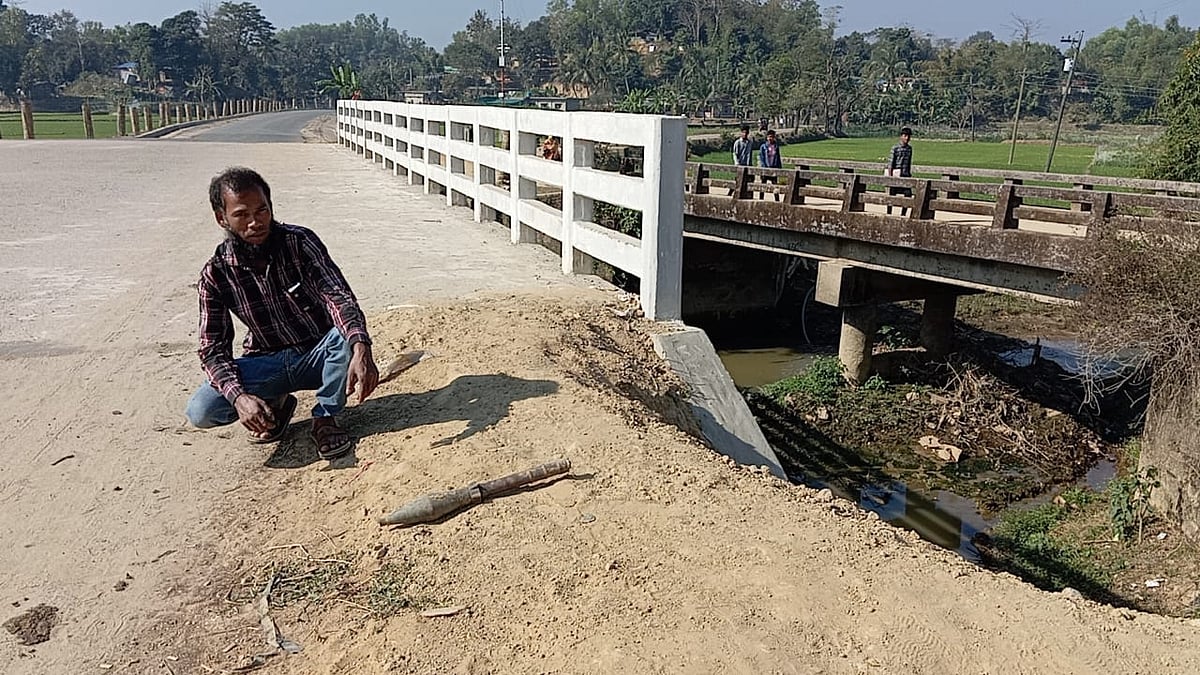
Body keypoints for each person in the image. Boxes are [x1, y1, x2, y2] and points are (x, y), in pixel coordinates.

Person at [184, 167, 380, 461]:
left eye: (262, 210)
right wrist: (239, 398)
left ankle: (326, 418)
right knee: (201, 410)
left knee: (345, 333)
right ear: (221, 218)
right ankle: (275, 403)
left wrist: (361, 347)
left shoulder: (299, 243)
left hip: (321, 354)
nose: (255, 222)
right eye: (241, 214)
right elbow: (212, 350)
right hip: (268, 362)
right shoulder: (216, 274)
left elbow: (338, 297)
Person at [886, 126, 914, 216]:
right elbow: (890, 163)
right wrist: (890, 177)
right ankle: (889, 213)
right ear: (901, 136)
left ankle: (903, 214)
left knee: (908, 195)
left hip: (905, 175)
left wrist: (909, 173)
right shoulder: (895, 148)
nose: (907, 138)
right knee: (892, 195)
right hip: (896, 175)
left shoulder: (909, 149)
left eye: (908, 136)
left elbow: (909, 162)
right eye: (905, 136)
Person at [759, 129, 783, 201]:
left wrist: (779, 168)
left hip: (774, 168)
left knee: (775, 185)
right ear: (767, 137)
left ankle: (777, 200)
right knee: (763, 185)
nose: (770, 138)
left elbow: (778, 157)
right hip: (765, 168)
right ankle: (761, 199)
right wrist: (764, 167)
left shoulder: (776, 147)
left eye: (772, 137)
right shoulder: (763, 147)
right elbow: (762, 158)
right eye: (769, 137)